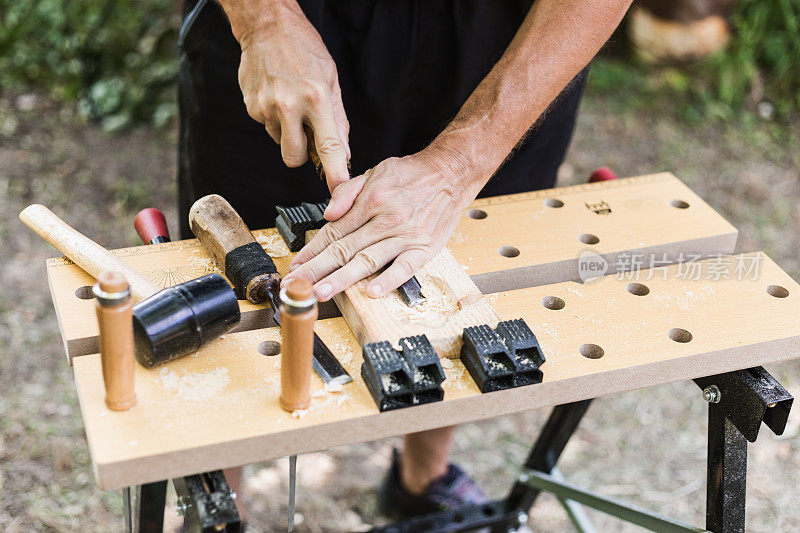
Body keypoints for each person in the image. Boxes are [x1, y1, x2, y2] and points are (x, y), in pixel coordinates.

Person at [178, 0, 631, 522]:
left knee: (452, 277)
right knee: (229, 313)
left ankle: (422, 481)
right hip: (292, 19)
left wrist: (459, 165)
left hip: (504, 31)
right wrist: (264, 21)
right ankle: (215, 512)